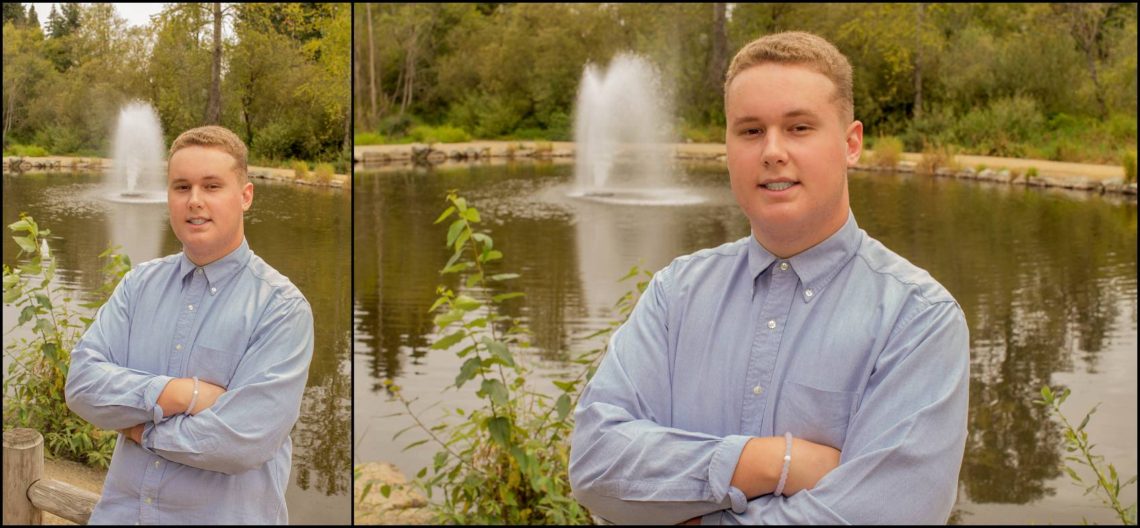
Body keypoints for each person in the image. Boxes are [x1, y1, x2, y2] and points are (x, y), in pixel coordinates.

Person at [569, 31, 969, 524]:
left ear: (851, 144)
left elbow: (886, 513)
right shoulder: (677, 294)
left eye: (799, 128)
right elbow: (593, 461)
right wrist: (769, 464)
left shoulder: (917, 320)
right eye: (751, 130)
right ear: (728, 146)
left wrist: (683, 509)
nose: (772, 151)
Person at [65, 125, 314, 524]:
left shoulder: (281, 309)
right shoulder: (137, 286)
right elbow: (81, 385)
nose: (194, 201)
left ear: (245, 196)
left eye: (211, 186)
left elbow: (240, 442)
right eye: (181, 187)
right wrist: (182, 393)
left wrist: (141, 429)